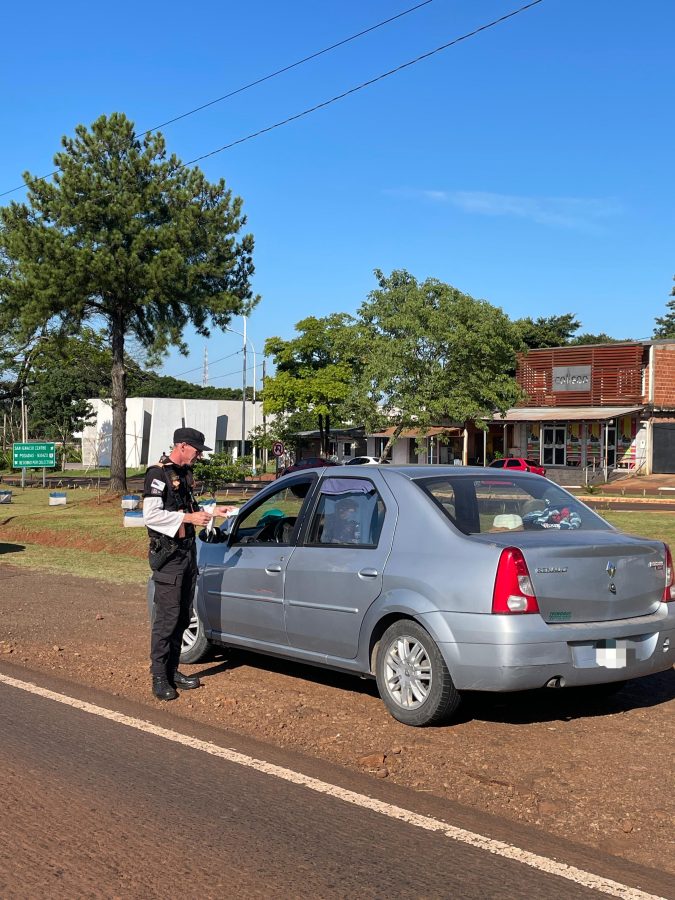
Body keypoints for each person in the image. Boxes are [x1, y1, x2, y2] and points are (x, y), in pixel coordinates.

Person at [142, 427, 236, 701]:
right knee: (167, 619)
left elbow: (187, 508)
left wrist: (210, 512)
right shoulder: (157, 474)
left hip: (187, 553)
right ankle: (159, 676)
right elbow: (151, 515)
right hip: (169, 556)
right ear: (182, 446)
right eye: (196, 450)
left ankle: (172, 670)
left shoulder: (182, 474)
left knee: (183, 616)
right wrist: (188, 520)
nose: (198, 456)